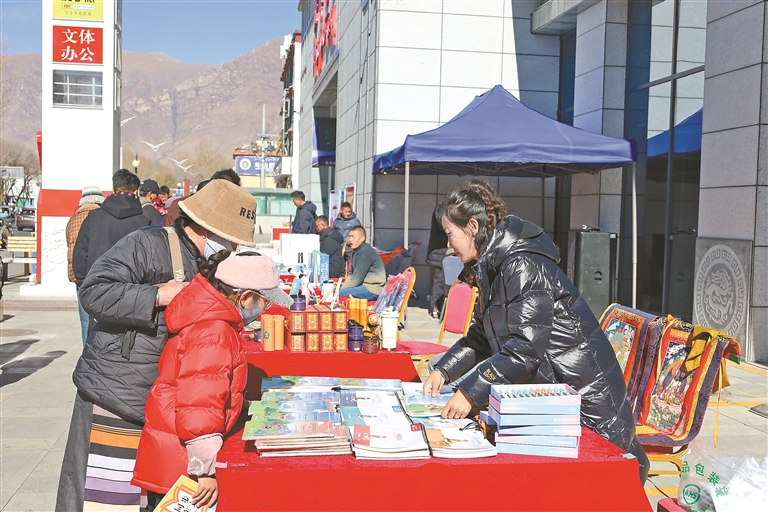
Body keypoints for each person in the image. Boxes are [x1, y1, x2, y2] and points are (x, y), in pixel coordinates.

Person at [423, 180, 649, 483]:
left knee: (587, 488)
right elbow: (482, 336)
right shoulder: (492, 266)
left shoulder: (521, 264)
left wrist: (468, 391)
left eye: (450, 233)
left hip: (585, 403)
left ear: (472, 227)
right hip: (555, 396)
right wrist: (444, 370)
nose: (449, 245)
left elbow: (525, 348)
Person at [56, 179, 257, 512]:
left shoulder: (207, 262)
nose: (233, 247)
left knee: (143, 499)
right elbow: (93, 291)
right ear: (207, 229)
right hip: (118, 393)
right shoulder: (147, 243)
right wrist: (156, 295)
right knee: (106, 500)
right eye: (231, 239)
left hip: (158, 399)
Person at [132, 251, 293, 509]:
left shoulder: (211, 321)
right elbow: (199, 406)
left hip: (176, 448)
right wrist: (204, 471)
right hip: (183, 461)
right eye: (265, 302)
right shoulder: (214, 331)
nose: (266, 310)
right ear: (245, 297)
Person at [65, 186, 105, 344]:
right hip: (99, 274)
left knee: (84, 319)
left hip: (79, 275)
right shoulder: (102, 217)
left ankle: (85, 350)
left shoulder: (73, 219)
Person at [339, 226, 386, 300]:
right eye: (349, 236)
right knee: (337, 291)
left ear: (362, 238)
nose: (350, 240)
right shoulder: (357, 250)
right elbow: (351, 275)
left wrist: (340, 291)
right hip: (365, 286)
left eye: (353, 237)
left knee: (338, 294)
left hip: (372, 289)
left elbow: (356, 279)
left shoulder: (364, 253)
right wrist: (341, 288)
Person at [426, 205, 450, 319]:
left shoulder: (440, 211)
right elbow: (439, 235)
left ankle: (436, 307)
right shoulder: (442, 214)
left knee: (439, 282)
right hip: (440, 254)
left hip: (438, 253)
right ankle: (435, 308)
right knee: (439, 282)